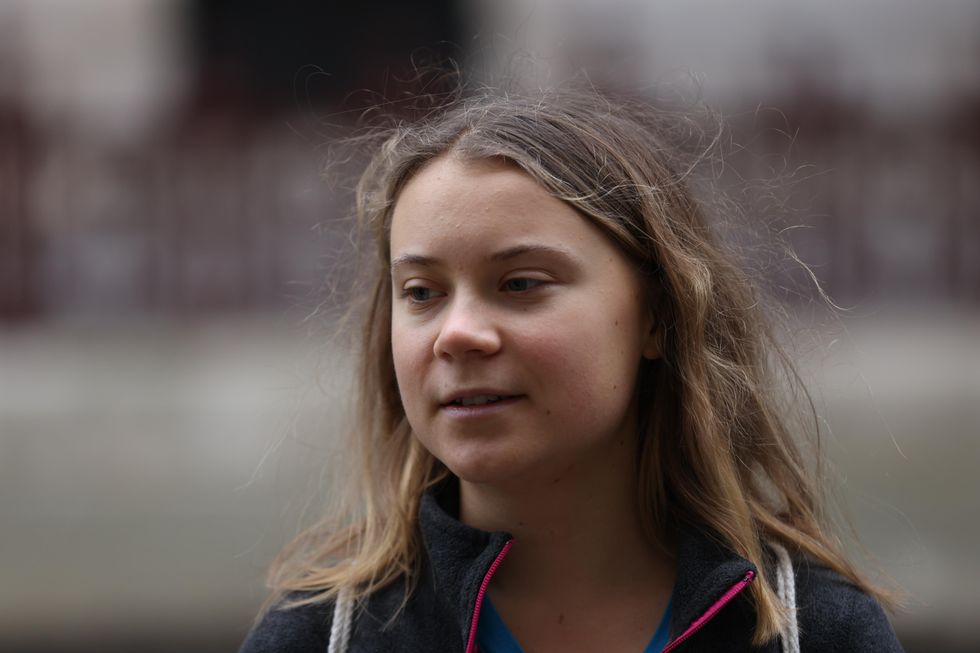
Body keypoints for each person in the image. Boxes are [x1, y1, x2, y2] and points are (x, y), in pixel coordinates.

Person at [239, 84, 905, 652]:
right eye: (421, 293)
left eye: (521, 283)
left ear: (657, 316)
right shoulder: (321, 637)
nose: (457, 333)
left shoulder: (812, 631)